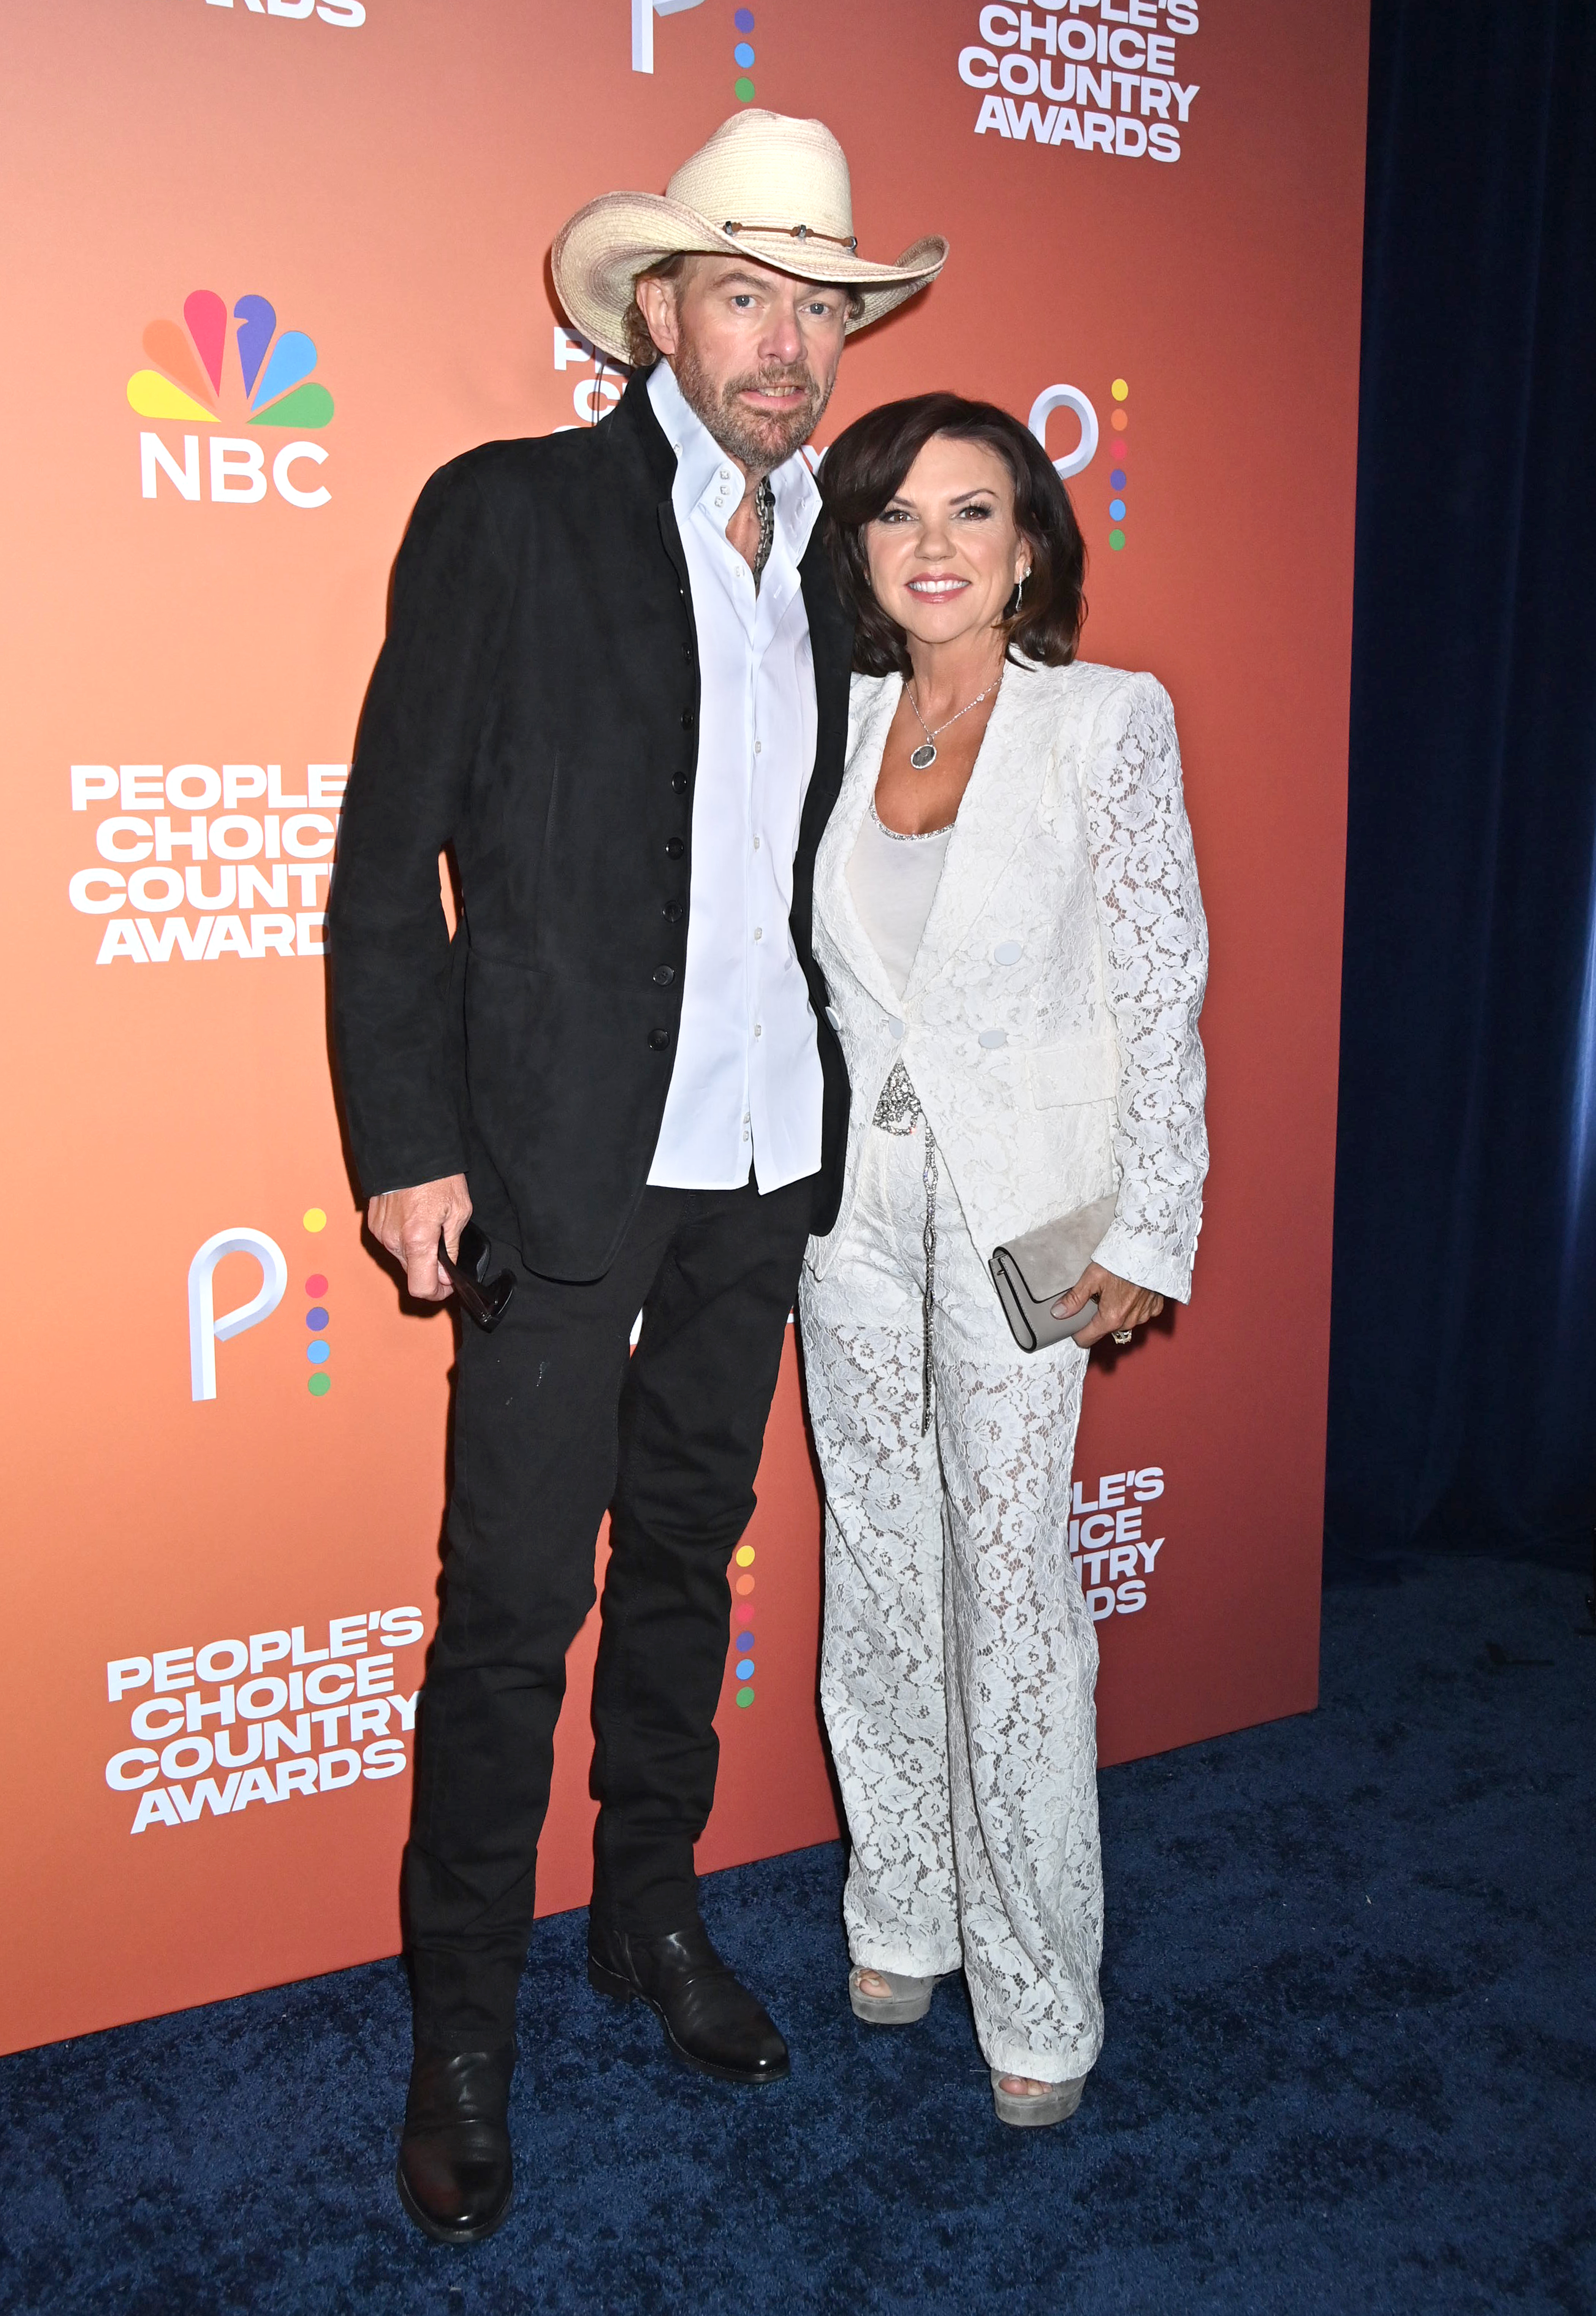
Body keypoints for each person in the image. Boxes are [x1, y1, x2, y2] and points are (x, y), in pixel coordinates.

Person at [328, 114, 946, 2242]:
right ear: (658, 312)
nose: (787, 342)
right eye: (746, 294)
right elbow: (385, 852)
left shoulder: (850, 570)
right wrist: (406, 1141)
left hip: (767, 1169)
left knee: (688, 1563)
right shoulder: (510, 517)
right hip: (557, 1166)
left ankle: (647, 1918)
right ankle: (462, 2032)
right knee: (510, 1613)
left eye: (820, 308)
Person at [798, 393, 1208, 2127]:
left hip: (1025, 1213)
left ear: (1032, 541)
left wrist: (1152, 1221)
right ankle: (901, 1896)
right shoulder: (832, 717)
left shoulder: (1106, 720)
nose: (939, 544)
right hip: (846, 1221)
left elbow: (1158, 976)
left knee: (1014, 1586)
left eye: (977, 510)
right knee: (879, 1552)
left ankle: (1040, 1977)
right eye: (900, 514)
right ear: (863, 551)